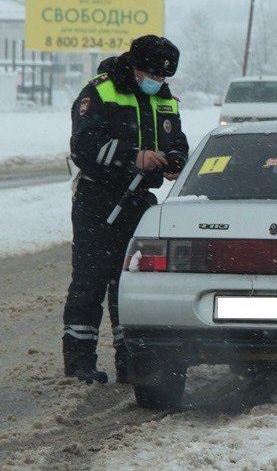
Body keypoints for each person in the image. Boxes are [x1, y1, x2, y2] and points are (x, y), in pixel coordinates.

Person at [63, 35, 189, 384]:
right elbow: (84, 145)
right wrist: (131, 157)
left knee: (130, 283)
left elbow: (176, 139)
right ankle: (79, 363)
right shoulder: (100, 92)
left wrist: (175, 159)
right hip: (98, 199)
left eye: (164, 77)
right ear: (135, 67)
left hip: (139, 202)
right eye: (153, 74)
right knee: (90, 280)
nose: (158, 82)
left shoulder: (164, 99)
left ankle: (131, 361)